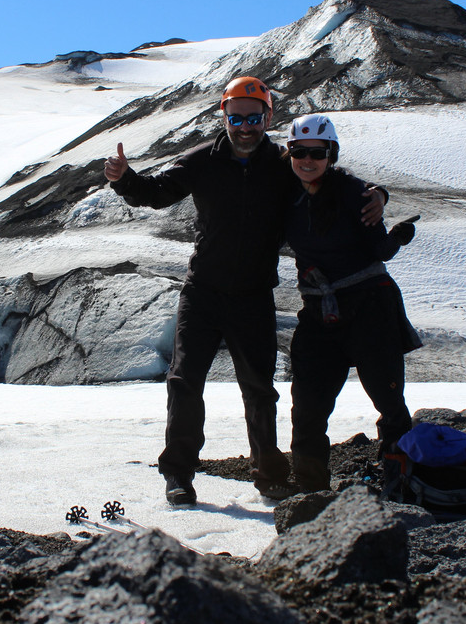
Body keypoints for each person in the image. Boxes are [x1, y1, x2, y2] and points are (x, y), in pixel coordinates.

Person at [104, 78, 385, 505]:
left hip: (253, 295)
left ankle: (269, 473)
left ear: (267, 117)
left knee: (259, 387)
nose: (245, 126)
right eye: (236, 117)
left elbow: (328, 175)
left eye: (254, 117)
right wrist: (125, 179)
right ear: (225, 116)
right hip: (202, 292)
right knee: (184, 381)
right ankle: (178, 474)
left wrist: (378, 193)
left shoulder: (283, 162)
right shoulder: (202, 160)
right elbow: (157, 193)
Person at [282, 113, 422, 494]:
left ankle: (400, 483)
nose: (307, 160)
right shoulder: (282, 188)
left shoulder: (352, 192)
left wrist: (393, 229)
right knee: (308, 405)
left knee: (388, 399)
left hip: (369, 306)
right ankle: (310, 493)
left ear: (332, 154)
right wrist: (397, 230)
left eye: (317, 152)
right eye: (299, 151)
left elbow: (379, 249)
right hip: (319, 311)